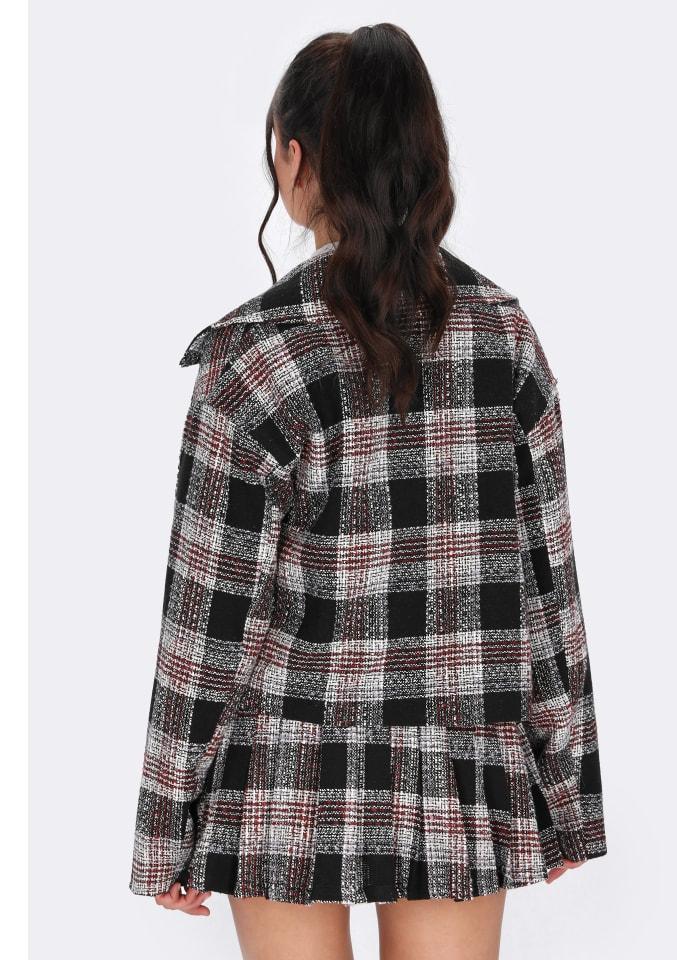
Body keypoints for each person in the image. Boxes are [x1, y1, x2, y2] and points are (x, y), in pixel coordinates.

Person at [128, 22, 607, 960]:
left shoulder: (253, 358)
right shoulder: (505, 341)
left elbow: (206, 625)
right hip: (459, 767)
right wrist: (566, 791)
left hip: (281, 777)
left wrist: (167, 821)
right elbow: (550, 590)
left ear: (296, 158)